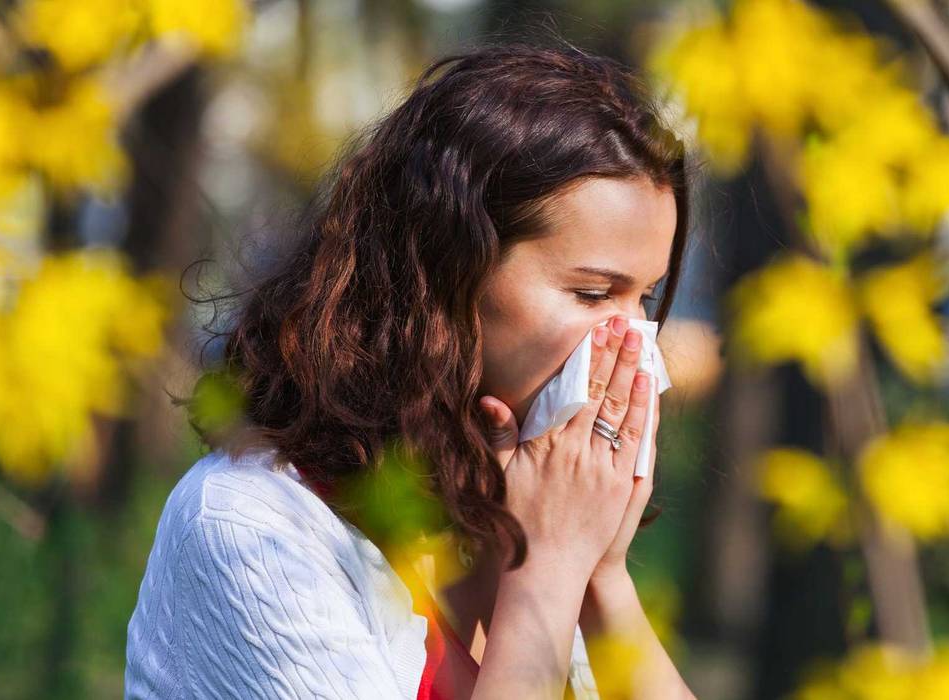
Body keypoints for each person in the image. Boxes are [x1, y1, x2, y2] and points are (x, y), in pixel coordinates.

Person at [124, 39, 699, 700]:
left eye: (645, 299)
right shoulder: (253, 527)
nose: (636, 346)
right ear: (448, 274)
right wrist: (549, 567)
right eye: (594, 295)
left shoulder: (516, 512)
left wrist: (601, 574)